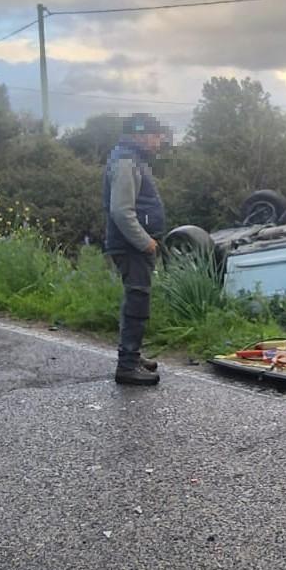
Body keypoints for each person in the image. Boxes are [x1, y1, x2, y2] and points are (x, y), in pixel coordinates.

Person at [103, 113, 170, 385]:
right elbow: (121, 210)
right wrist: (145, 241)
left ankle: (132, 355)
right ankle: (127, 365)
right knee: (137, 300)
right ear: (139, 135)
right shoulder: (126, 162)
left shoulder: (131, 159)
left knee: (137, 298)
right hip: (131, 245)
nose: (159, 140)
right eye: (155, 135)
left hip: (131, 244)